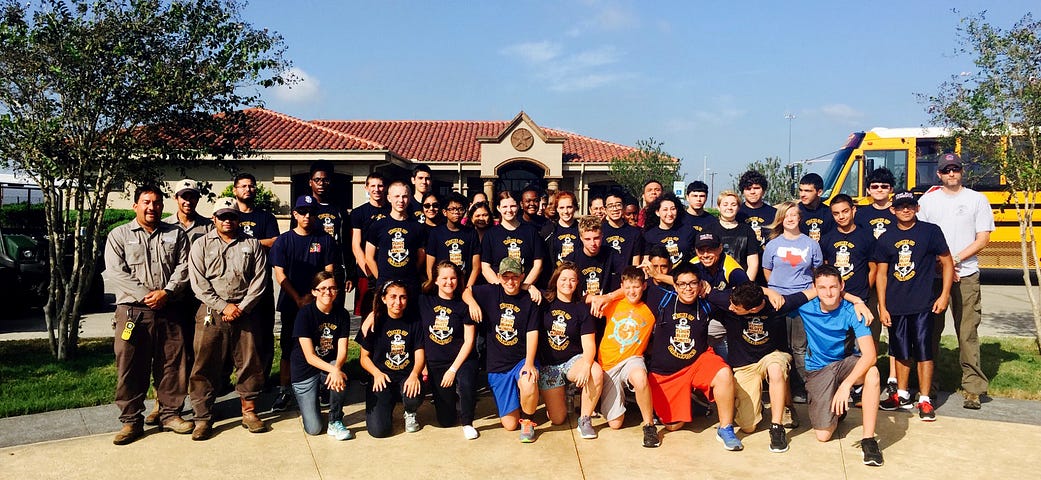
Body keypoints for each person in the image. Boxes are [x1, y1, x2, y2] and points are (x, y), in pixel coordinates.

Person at [103, 184, 191, 445]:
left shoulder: (176, 234)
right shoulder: (118, 235)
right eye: (146, 202)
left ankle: (170, 414)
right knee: (130, 365)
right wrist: (146, 294)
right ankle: (131, 421)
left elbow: (184, 266)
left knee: (173, 364)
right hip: (133, 313)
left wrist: (167, 291)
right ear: (136, 205)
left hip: (169, 308)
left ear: (163, 206)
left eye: (156, 203)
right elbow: (116, 272)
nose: (152, 207)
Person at [186, 198, 269, 440]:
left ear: (238, 218)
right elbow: (198, 283)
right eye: (222, 216)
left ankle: (249, 411)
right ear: (214, 219)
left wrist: (240, 307)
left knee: (250, 362)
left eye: (231, 216)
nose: (227, 221)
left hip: (245, 312)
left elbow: (259, 280)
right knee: (204, 364)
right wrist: (223, 306)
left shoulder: (251, 244)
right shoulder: (200, 245)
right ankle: (202, 417)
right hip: (211, 312)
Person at [917, 153, 995, 410]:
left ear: (962, 172)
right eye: (946, 170)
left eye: (956, 169)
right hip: (934, 277)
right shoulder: (928, 201)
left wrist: (956, 259)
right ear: (938, 174)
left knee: (967, 333)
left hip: (967, 274)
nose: (951, 173)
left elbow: (983, 238)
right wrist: (942, 264)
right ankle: (930, 385)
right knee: (930, 333)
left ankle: (973, 388)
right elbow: (921, 237)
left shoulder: (977, 200)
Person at [875, 191, 954, 421]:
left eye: (910, 206)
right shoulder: (886, 237)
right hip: (896, 303)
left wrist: (944, 294)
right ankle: (901, 394)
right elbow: (881, 274)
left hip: (924, 303)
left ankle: (925, 399)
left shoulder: (930, 231)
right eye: (901, 207)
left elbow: (948, 263)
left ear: (917, 208)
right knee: (900, 351)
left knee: (923, 351)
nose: (905, 210)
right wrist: (882, 306)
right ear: (893, 210)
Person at [647, 264, 741, 451]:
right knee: (672, 426)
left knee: (723, 373)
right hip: (666, 374)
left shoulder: (706, 304)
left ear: (700, 285)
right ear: (675, 286)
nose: (687, 288)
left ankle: (726, 428)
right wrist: (605, 297)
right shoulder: (663, 299)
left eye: (692, 283)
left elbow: (734, 302)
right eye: (682, 284)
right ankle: (693, 401)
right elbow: (631, 286)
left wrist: (711, 291)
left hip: (697, 363)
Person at [798, 265, 884, 467]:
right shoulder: (805, 307)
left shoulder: (853, 310)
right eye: (822, 287)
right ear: (814, 288)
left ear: (842, 286)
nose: (828, 293)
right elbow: (777, 300)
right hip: (819, 369)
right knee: (823, 435)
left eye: (833, 287)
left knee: (872, 372)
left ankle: (869, 440)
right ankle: (835, 408)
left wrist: (847, 385)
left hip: (845, 363)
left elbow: (870, 355)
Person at [705, 282, 804, 453]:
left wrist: (856, 301)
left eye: (736, 307)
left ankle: (777, 426)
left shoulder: (778, 305)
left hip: (772, 356)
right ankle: (761, 407)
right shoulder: (729, 302)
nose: (730, 307)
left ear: (752, 310)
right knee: (748, 427)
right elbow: (693, 286)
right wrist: (657, 275)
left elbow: (815, 291)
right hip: (744, 366)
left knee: (776, 369)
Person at [269, 195, 338, 412]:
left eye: (311, 212)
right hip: (292, 303)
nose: (308, 216)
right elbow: (279, 274)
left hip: (319, 302)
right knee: (289, 348)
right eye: (303, 212)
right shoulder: (284, 240)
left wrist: (316, 295)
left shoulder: (325, 239)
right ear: (295, 214)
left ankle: (323, 385)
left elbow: (329, 271)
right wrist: (298, 298)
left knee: (322, 345)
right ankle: (285, 390)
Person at [463, 257, 541, 442]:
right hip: (498, 365)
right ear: (498, 276)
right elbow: (466, 291)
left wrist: (529, 363)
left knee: (528, 380)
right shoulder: (490, 292)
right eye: (505, 277)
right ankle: (519, 403)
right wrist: (472, 303)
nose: (510, 282)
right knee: (509, 425)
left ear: (522, 276)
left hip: (521, 359)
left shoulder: (529, 299)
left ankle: (528, 421)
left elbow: (532, 332)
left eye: (514, 277)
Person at [155, 178, 211, 425]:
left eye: (192, 196)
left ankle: (199, 400)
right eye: (183, 196)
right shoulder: (164, 225)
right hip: (172, 298)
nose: (188, 201)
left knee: (198, 352)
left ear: (198, 199)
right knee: (168, 355)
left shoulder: (209, 227)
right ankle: (162, 404)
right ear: (176, 199)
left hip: (199, 299)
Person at [762, 201, 823, 403]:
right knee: (779, 347)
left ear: (799, 218)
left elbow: (816, 272)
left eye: (793, 215)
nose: (790, 219)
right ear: (780, 219)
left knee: (800, 347)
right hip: (778, 301)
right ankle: (781, 390)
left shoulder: (811, 244)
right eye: (786, 215)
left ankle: (803, 387)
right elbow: (767, 271)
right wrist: (776, 290)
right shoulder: (773, 245)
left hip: (804, 301)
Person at [537, 262, 603, 439]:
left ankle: (585, 419)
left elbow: (589, 343)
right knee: (558, 419)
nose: (568, 283)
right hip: (548, 366)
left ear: (577, 283)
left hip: (572, 360)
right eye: (563, 279)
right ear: (556, 280)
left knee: (595, 373)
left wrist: (586, 365)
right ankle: (562, 395)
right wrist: (529, 288)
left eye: (572, 280)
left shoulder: (581, 308)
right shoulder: (543, 301)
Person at [597, 266, 658, 448]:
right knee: (615, 424)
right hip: (608, 364)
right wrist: (608, 296)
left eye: (637, 287)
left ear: (644, 286)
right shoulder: (613, 304)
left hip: (632, 359)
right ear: (622, 286)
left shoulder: (650, 309)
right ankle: (609, 403)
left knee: (640, 377)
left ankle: (649, 425)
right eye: (628, 287)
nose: (632, 291)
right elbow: (589, 300)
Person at [357, 280, 426, 438]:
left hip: (406, 376)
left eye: (402, 297)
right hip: (382, 378)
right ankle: (386, 406)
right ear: (384, 299)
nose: (398, 302)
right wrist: (376, 373)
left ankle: (410, 411)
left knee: (414, 393)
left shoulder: (414, 322)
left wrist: (415, 374)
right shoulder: (374, 323)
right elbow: (364, 358)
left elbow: (420, 354)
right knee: (379, 431)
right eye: (393, 297)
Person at [232, 173, 280, 390]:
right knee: (232, 334)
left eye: (251, 186)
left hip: (261, 284)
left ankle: (263, 377)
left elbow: (275, 241)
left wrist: (245, 244)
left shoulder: (266, 218)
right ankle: (230, 378)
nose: (248, 190)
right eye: (243, 186)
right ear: (235, 190)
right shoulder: (229, 215)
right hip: (234, 286)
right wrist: (258, 244)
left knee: (262, 332)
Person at [420, 261, 479, 439]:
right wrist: (371, 317)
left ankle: (468, 422)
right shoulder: (424, 301)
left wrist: (453, 370)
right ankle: (451, 401)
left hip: (461, 359)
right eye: (444, 278)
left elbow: (469, 341)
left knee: (467, 382)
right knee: (446, 421)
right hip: (436, 362)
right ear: (436, 280)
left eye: (453, 278)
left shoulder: (463, 306)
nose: (449, 282)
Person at [290, 272, 352, 439]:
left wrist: (336, 369)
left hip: (329, 365)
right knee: (314, 429)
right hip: (304, 370)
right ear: (315, 292)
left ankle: (335, 420)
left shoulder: (342, 314)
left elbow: (343, 349)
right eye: (323, 288)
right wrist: (334, 369)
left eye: (332, 288)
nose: (328, 292)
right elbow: (309, 356)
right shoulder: (305, 314)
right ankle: (311, 409)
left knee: (340, 377)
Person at [690, 231, 750, 361]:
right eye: (701, 250)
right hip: (709, 318)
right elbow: (676, 280)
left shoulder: (732, 269)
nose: (705, 255)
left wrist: (712, 293)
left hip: (734, 318)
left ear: (720, 248)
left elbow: (747, 294)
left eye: (710, 249)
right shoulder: (693, 264)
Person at [365, 181, 427, 290]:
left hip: (410, 284)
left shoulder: (418, 227)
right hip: (385, 285)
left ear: (409, 198)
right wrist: (380, 278)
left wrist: (410, 273)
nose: (401, 200)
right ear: (389, 198)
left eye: (404, 196)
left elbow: (421, 255)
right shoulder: (378, 225)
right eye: (397, 196)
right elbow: (369, 256)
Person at [480, 191, 544, 291]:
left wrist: (524, 286)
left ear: (518, 207)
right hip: (500, 290)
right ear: (498, 208)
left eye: (512, 206)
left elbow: (538, 265)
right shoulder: (491, 234)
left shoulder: (531, 232)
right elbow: (485, 267)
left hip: (525, 290)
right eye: (505, 207)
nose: (509, 210)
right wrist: (502, 288)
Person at [350, 171, 389, 318]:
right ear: (366, 188)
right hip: (367, 273)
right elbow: (356, 245)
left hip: (387, 268)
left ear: (385, 188)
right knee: (368, 313)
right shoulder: (358, 213)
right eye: (372, 186)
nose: (376, 189)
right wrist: (368, 272)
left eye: (380, 186)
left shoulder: (393, 210)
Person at [426, 192, 481, 289]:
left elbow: (476, 267)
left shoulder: (471, 233)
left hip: (464, 286)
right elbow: (430, 266)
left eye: (460, 209)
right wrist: (435, 283)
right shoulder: (436, 233)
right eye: (452, 209)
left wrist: (468, 288)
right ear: (444, 212)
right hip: (442, 286)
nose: (456, 212)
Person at [715, 190, 760, 279]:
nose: (729, 208)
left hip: (741, 283)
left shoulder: (747, 231)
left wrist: (745, 287)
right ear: (718, 207)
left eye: (733, 205)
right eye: (725, 204)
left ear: (738, 208)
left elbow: (753, 264)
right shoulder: (709, 230)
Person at [642, 193, 693, 267]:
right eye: (665, 210)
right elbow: (646, 261)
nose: (669, 213)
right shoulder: (650, 234)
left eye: (673, 209)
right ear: (657, 212)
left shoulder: (688, 231)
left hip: (683, 276)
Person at [540, 190, 580, 271]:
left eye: (569, 207)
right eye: (562, 208)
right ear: (557, 209)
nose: (565, 211)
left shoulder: (581, 229)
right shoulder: (548, 231)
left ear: (575, 207)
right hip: (554, 277)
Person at [737, 169, 777, 248]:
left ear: (763, 190)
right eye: (748, 189)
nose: (752, 192)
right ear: (742, 192)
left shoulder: (774, 213)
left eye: (756, 188)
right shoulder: (736, 213)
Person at [858, 168, 898, 239]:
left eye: (884, 187)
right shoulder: (860, 214)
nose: (879, 190)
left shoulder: (899, 212)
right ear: (868, 190)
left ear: (891, 189)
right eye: (874, 187)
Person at [796, 173, 835, 242]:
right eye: (801, 190)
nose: (802, 194)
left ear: (819, 192)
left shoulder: (829, 213)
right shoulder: (795, 212)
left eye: (807, 191)